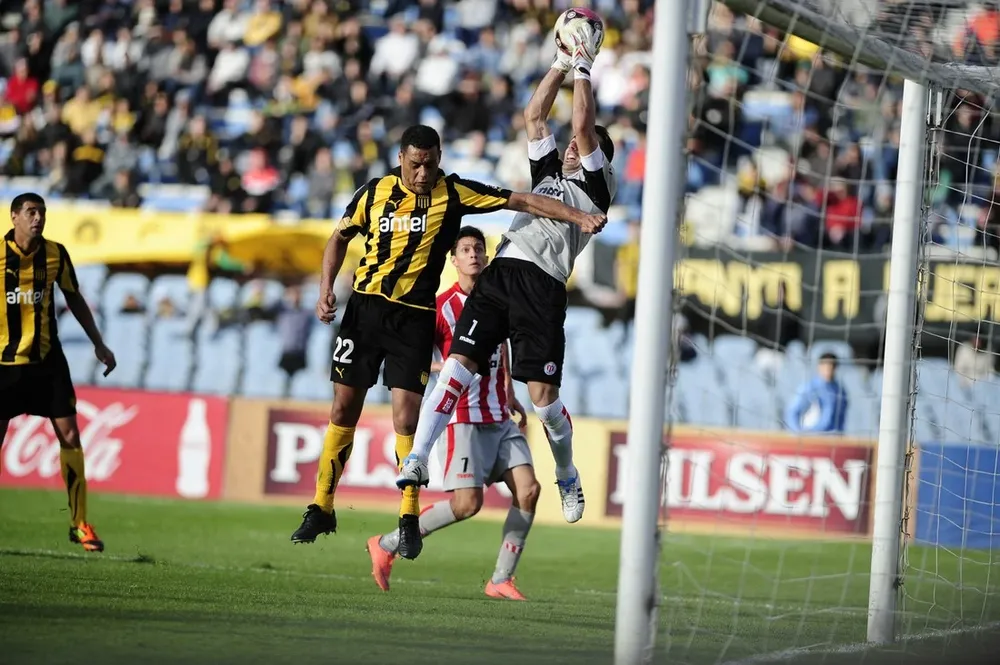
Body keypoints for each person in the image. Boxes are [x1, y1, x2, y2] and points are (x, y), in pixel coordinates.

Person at [290, 124, 606, 560]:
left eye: (431, 164)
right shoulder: (373, 193)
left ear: (440, 158)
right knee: (344, 407)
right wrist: (326, 288)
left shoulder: (454, 193)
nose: (423, 173)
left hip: (416, 320)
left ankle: (409, 521)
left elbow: (520, 199)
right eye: (416, 164)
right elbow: (339, 238)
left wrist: (579, 216)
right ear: (401, 158)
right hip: (364, 310)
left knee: (408, 417)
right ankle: (322, 506)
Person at [396, 22, 617, 550]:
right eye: (565, 148)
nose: (567, 149)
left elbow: (583, 124)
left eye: (577, 149)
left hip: (544, 286)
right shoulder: (548, 172)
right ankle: (418, 456)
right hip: (503, 271)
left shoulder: (598, 182)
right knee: (456, 366)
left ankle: (566, 473)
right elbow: (535, 115)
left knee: (542, 402)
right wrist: (560, 64)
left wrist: (584, 66)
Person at [366, 226, 539, 601]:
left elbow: (502, 347)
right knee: (467, 505)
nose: (474, 254)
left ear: (487, 257)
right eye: (466, 249)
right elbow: (413, 354)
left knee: (529, 490)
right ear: (454, 259)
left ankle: (500, 579)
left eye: (479, 248)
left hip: (498, 415)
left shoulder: (498, 302)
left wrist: (510, 391)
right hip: (463, 417)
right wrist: (444, 367)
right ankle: (388, 543)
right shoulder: (443, 308)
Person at [0, 192, 117, 552]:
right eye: (31, 212)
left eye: (43, 212)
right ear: (15, 216)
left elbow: (74, 297)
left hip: (48, 362)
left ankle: (79, 522)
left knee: (70, 435)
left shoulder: (56, 254)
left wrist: (98, 342)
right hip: (3, 365)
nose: (39, 218)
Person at [784, 353, 848, 434]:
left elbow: (841, 418)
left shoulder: (840, 391)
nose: (828, 369)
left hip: (833, 439)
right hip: (812, 438)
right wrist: (797, 433)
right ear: (819, 366)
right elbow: (792, 412)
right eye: (825, 366)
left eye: (832, 366)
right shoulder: (810, 387)